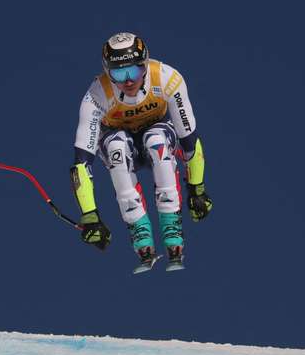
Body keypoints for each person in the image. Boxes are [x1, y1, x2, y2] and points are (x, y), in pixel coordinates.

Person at [70, 32, 213, 272]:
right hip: (119, 142)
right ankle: (140, 232)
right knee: (116, 146)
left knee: (155, 140)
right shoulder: (97, 95)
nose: (128, 81)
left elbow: (189, 138)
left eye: (134, 71)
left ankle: (171, 227)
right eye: (118, 73)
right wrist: (90, 214)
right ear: (107, 72)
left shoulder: (167, 78)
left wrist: (197, 188)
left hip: (157, 134)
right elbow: (82, 162)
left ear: (145, 65)